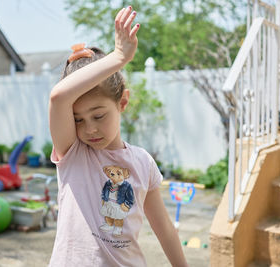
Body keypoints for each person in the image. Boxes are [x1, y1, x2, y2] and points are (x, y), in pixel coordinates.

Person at [48, 6, 188, 267]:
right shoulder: (73, 153)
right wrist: (119, 58)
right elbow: (58, 97)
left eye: (98, 116)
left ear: (122, 102)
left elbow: (165, 229)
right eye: (78, 120)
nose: (89, 129)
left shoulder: (143, 163)